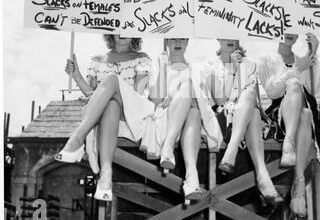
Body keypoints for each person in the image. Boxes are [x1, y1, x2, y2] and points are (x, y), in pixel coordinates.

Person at [56, 35, 153, 201]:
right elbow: (92, 96)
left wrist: (115, 89)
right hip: (110, 113)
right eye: (118, 28)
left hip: (133, 110)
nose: (122, 33)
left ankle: (77, 138)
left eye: (127, 28)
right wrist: (77, 76)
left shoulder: (141, 58)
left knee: (112, 80)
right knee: (110, 105)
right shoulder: (97, 61)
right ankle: (106, 173)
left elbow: (137, 94)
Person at [257, 33, 320, 218]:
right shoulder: (266, 59)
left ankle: (298, 181)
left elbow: (314, 90)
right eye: (285, 27)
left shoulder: (304, 59)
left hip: (307, 113)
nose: (290, 33)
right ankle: (297, 186)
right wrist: (296, 69)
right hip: (281, 112)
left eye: (293, 28)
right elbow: (273, 91)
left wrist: (313, 54)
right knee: (293, 84)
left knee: (306, 113)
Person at [203, 39, 283, 206]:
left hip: (247, 119)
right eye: (225, 36)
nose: (230, 39)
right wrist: (233, 69)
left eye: (233, 35)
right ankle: (263, 177)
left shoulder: (250, 63)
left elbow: (254, 98)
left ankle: (234, 154)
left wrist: (240, 67)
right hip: (223, 118)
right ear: (218, 39)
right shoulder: (210, 65)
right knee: (250, 105)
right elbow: (220, 99)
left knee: (251, 102)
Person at [145, 38, 222, 200]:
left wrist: (177, 95)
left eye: (181, 39)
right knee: (190, 96)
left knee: (192, 105)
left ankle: (172, 151)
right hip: (166, 121)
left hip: (193, 125)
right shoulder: (158, 65)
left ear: (187, 42)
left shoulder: (198, 69)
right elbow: (155, 101)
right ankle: (191, 178)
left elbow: (204, 101)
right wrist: (164, 69)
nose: (177, 43)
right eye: (173, 39)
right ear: (166, 42)